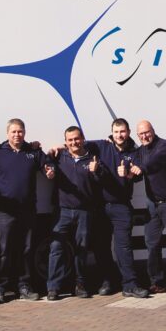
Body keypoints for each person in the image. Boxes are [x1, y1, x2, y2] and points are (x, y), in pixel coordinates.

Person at [0, 118, 55, 302]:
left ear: (24, 133)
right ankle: (0, 287)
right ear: (7, 133)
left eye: (20, 131)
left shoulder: (33, 152)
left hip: (27, 210)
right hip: (5, 212)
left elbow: (48, 165)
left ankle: (24, 286)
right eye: (14, 132)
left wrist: (50, 170)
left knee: (26, 250)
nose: (17, 135)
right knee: (4, 251)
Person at [87, 118, 149, 298]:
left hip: (122, 206)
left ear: (128, 132)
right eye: (116, 132)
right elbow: (76, 145)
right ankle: (108, 281)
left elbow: (138, 175)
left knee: (124, 247)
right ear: (111, 133)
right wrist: (57, 148)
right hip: (100, 206)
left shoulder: (135, 152)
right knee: (101, 247)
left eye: (122, 132)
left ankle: (130, 285)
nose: (119, 135)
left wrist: (129, 174)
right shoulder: (101, 146)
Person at [45, 126, 103, 301]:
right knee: (56, 249)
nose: (73, 142)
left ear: (83, 138)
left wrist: (96, 171)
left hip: (84, 212)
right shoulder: (60, 156)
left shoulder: (92, 159)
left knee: (82, 249)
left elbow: (100, 182)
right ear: (65, 142)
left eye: (76, 139)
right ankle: (53, 288)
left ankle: (80, 285)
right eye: (70, 140)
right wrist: (48, 169)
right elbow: (46, 163)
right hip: (62, 211)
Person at [136, 119, 166, 298]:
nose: (144, 136)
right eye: (140, 134)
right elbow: (134, 169)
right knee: (151, 243)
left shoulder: (165, 147)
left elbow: (154, 163)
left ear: (153, 131)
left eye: (146, 132)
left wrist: (140, 168)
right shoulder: (140, 151)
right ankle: (157, 282)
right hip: (153, 205)